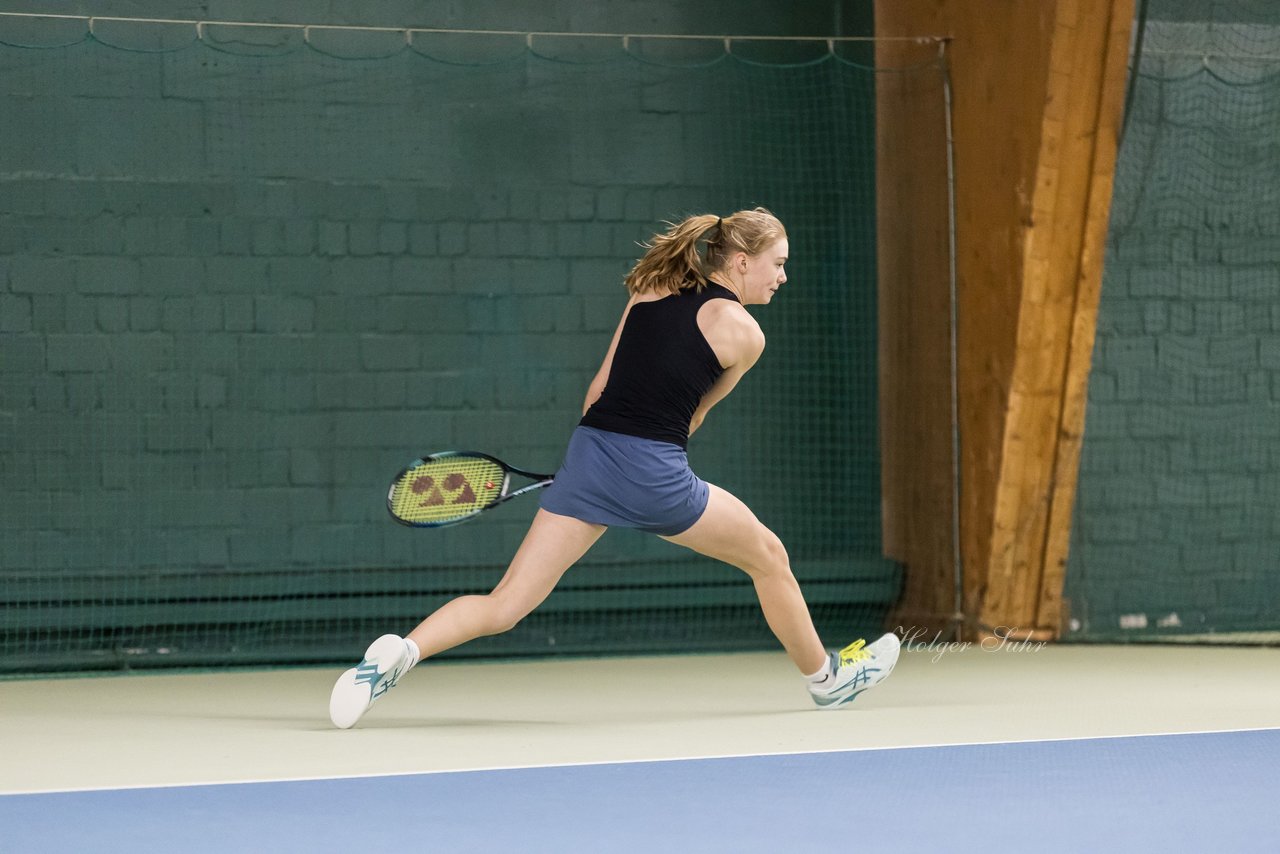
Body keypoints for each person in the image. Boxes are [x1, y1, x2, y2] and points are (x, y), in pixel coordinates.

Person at [329, 207, 899, 729]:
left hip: (589, 454)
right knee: (770, 558)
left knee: (504, 604)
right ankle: (826, 682)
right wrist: (635, 472)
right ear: (743, 262)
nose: (781, 276)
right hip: (655, 475)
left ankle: (396, 656)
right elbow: (689, 418)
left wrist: (593, 473)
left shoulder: (653, 285)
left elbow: (598, 390)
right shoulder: (745, 334)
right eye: (777, 264)